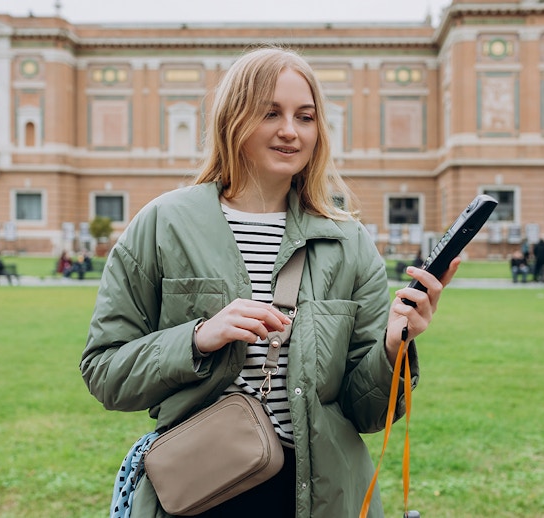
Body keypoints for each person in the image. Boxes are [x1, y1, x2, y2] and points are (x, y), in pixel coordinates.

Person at [80, 46, 461, 518]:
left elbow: (366, 413)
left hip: (322, 498)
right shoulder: (162, 224)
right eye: (271, 113)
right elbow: (104, 371)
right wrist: (197, 339)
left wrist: (392, 345)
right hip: (200, 492)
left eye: (305, 117)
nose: (290, 130)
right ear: (233, 119)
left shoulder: (348, 240)